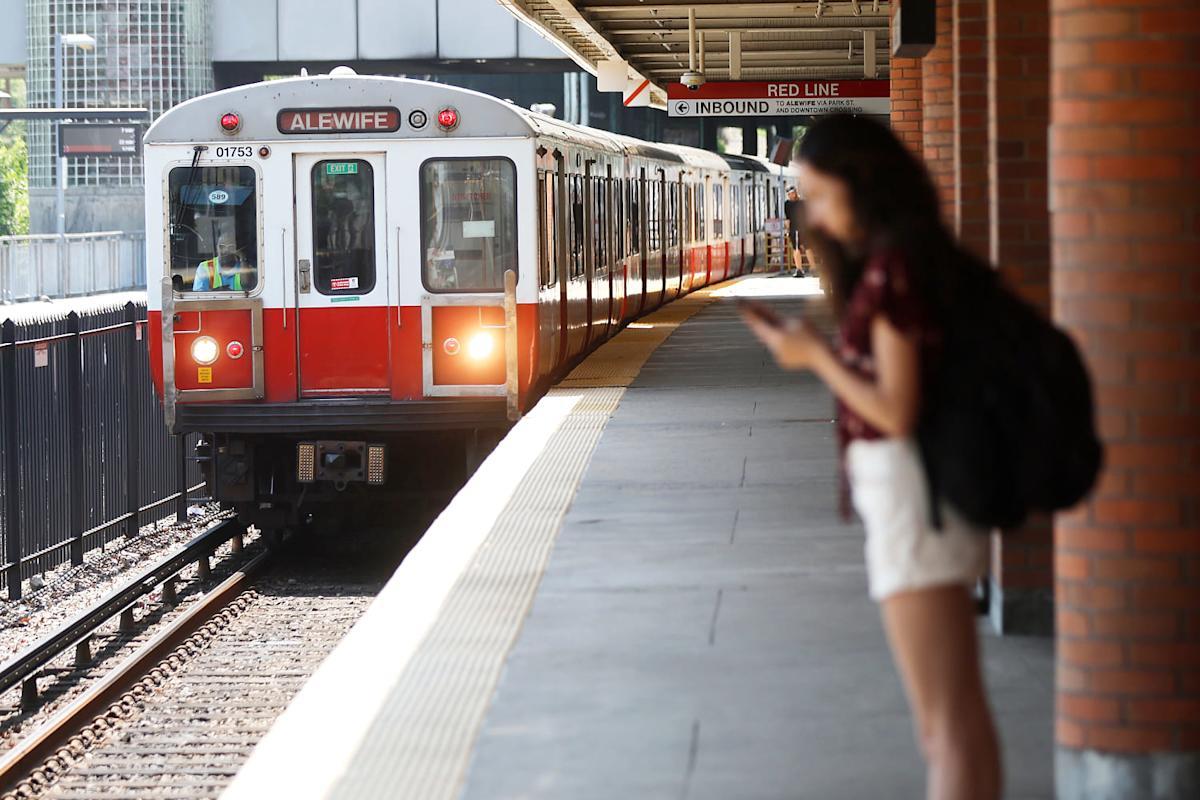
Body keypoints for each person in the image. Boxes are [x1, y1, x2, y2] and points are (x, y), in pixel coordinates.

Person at [741, 114, 1001, 800]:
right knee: (960, 715)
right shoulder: (913, 258)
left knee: (942, 728)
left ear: (862, 184)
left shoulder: (894, 273)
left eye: (821, 197)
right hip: (925, 500)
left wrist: (815, 357)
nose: (815, 217)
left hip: (916, 506)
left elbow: (896, 409)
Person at [782, 186, 808, 276]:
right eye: (789, 194)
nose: (790, 195)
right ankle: (799, 269)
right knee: (797, 248)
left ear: (795, 193)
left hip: (798, 228)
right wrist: (788, 230)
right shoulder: (788, 204)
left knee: (799, 248)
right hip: (795, 229)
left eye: (791, 193)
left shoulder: (800, 203)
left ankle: (802, 269)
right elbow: (787, 219)